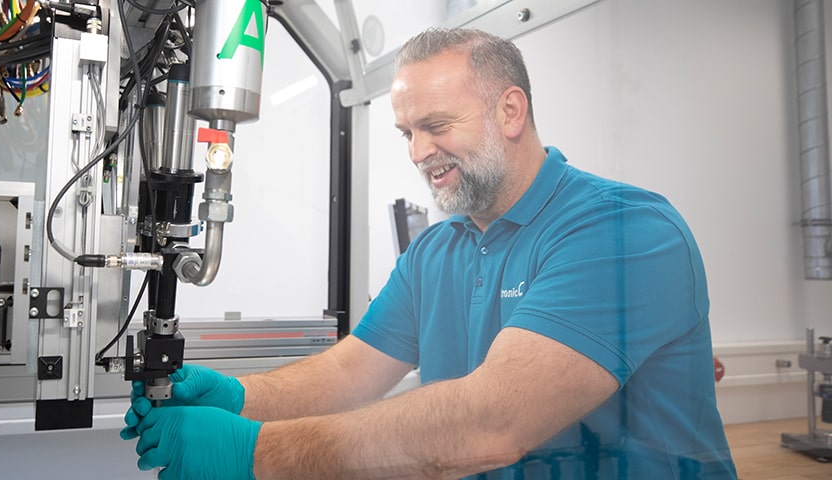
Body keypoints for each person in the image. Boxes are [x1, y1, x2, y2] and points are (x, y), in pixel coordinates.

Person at [120, 27, 737, 479]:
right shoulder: (437, 251)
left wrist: (252, 451)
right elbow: (349, 374)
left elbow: (492, 423)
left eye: (436, 126)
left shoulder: (622, 231)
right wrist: (238, 398)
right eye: (407, 133)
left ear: (510, 111)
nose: (418, 153)